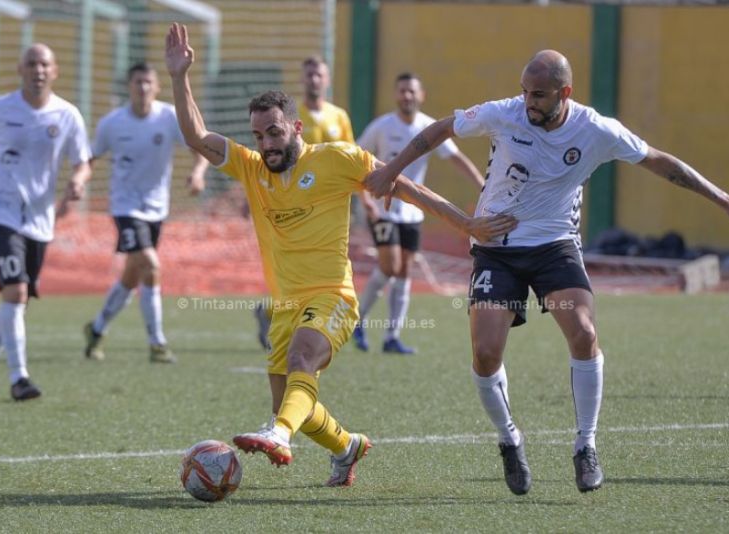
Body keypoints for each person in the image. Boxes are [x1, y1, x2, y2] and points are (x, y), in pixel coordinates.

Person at [366, 50, 729, 495]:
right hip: (496, 248)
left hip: (554, 248)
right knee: (485, 352)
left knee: (582, 331)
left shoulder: (596, 129)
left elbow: (661, 162)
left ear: (566, 93)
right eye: (524, 92)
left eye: (538, 95)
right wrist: (391, 169)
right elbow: (440, 129)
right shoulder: (505, 113)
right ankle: (509, 439)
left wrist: (722, 198)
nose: (527, 102)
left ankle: (585, 445)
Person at [165, 23, 515, 486]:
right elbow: (195, 136)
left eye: (273, 133)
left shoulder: (337, 159)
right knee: (290, 397)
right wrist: (178, 77)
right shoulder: (251, 168)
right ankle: (346, 446)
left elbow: (409, 189)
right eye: (258, 136)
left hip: (333, 295)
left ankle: (279, 434)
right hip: (286, 304)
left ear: (294, 127)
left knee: (301, 364)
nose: (266, 144)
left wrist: (467, 225)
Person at [0, 44, 91, 400]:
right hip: (1, 212)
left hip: (40, 218)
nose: (38, 70)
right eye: (31, 63)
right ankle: (19, 379)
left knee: (20, 299)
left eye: (44, 63)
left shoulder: (67, 115)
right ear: (20, 68)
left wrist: (78, 181)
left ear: (55, 70)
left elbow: (82, 161)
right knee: (15, 291)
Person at [82, 62, 207, 364]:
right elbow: (90, 157)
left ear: (157, 86)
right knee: (150, 264)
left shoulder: (167, 117)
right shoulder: (112, 123)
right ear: (129, 86)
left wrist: (198, 172)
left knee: (131, 276)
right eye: (138, 82)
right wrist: (76, 187)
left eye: (148, 82)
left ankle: (96, 329)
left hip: (156, 208)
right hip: (125, 207)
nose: (143, 88)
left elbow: (198, 147)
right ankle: (157, 343)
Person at [353, 72, 485, 354]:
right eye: (402, 91)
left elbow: (456, 158)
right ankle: (358, 321)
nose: (406, 96)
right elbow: (357, 160)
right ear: (395, 94)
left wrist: (482, 186)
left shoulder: (428, 127)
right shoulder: (381, 126)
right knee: (389, 265)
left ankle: (391, 336)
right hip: (382, 209)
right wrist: (365, 201)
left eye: (411, 91)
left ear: (421, 95)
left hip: (413, 213)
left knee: (402, 271)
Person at [253, 55, 355, 352]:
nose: (313, 80)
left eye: (318, 74)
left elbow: (351, 160)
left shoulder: (339, 117)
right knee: (292, 266)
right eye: (308, 74)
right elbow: (267, 159)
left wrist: (368, 203)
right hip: (288, 204)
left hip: (325, 208)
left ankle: (273, 311)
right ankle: (278, 311)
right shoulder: (288, 118)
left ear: (327, 79)